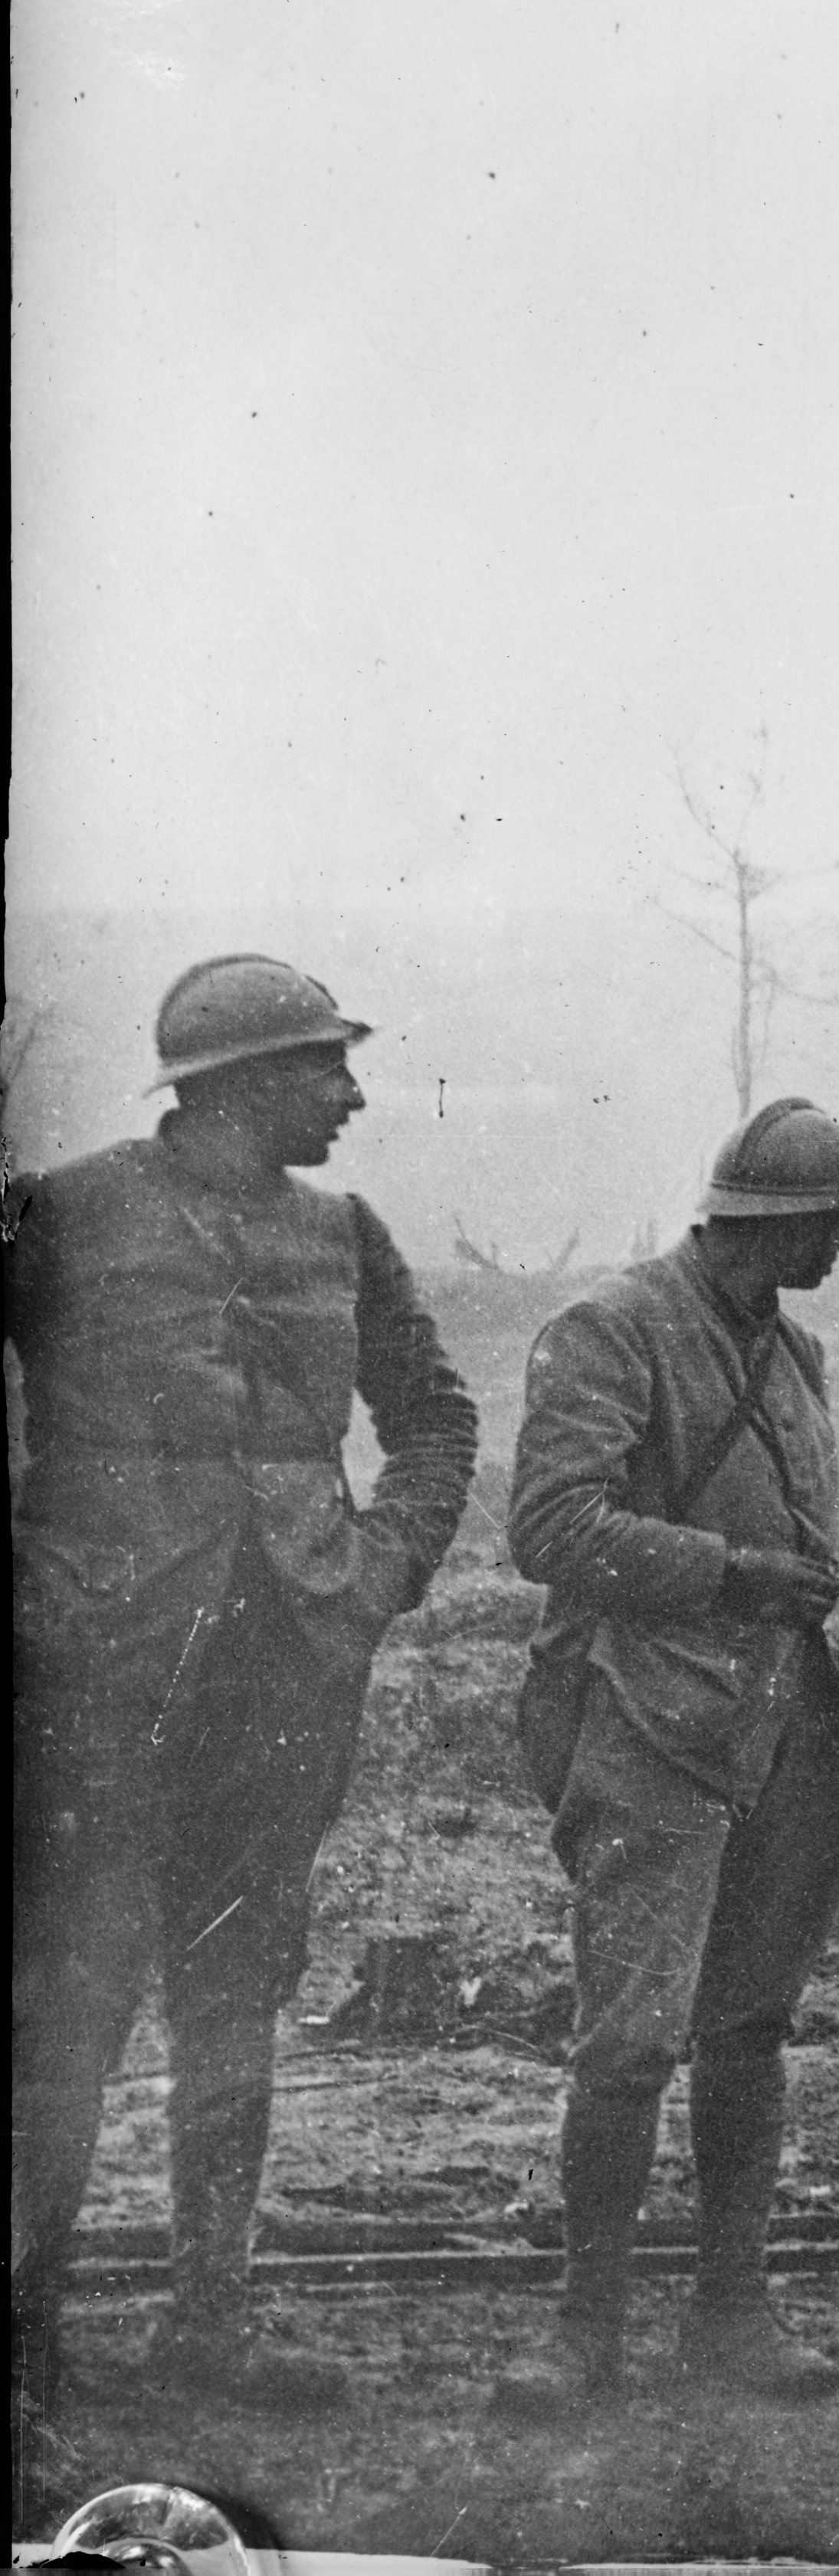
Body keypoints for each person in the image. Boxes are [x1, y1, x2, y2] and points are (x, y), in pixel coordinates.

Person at [8, 959, 481, 2416]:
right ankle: (25, 2339)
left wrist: (374, 1574)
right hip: (95, 1671)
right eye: (326, 1069)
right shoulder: (64, 1211)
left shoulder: (345, 1232)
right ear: (243, 1082)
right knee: (69, 1993)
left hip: (285, 1669)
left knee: (239, 1982)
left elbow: (437, 1419)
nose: (353, 1095)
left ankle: (211, 2326)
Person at [493, 1100, 839, 2414]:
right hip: (652, 1724)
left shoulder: (796, 1354)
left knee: (751, 2031)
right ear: (771, 1222)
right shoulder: (612, 1331)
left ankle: (733, 2317)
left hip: (795, 1726)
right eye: (832, 1223)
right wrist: (730, 1576)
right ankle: (583, 2336)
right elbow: (552, 1527)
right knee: (627, 2045)